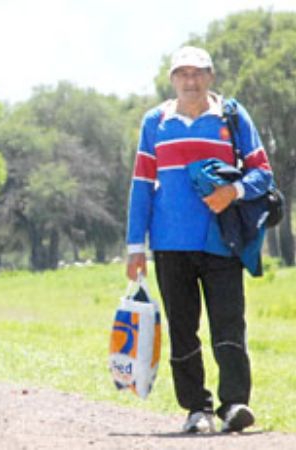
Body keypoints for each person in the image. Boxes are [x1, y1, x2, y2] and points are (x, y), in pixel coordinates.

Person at [126, 46, 273, 434]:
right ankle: (197, 409)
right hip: (169, 243)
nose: (190, 81)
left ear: (210, 76)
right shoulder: (155, 122)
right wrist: (135, 247)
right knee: (182, 328)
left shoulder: (232, 116)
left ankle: (234, 404)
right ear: (172, 80)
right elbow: (141, 185)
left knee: (229, 324)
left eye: (197, 73)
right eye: (182, 74)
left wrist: (232, 192)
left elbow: (263, 173)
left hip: (221, 240)